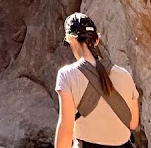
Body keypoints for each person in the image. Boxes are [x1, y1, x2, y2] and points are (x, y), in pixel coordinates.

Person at [55, 12, 139, 148]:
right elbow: (133, 123)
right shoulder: (124, 75)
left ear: (72, 40)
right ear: (96, 40)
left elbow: (66, 127)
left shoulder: (67, 75)